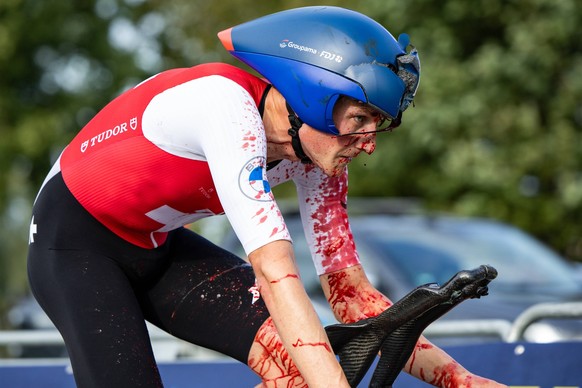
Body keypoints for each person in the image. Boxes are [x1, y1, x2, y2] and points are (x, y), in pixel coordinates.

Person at [27, 6, 507, 388]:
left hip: (159, 245)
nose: (369, 142)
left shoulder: (314, 152)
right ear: (310, 95)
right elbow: (276, 274)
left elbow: (352, 298)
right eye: (360, 119)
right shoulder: (226, 109)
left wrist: (463, 381)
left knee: (303, 368)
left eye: (377, 125)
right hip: (74, 246)